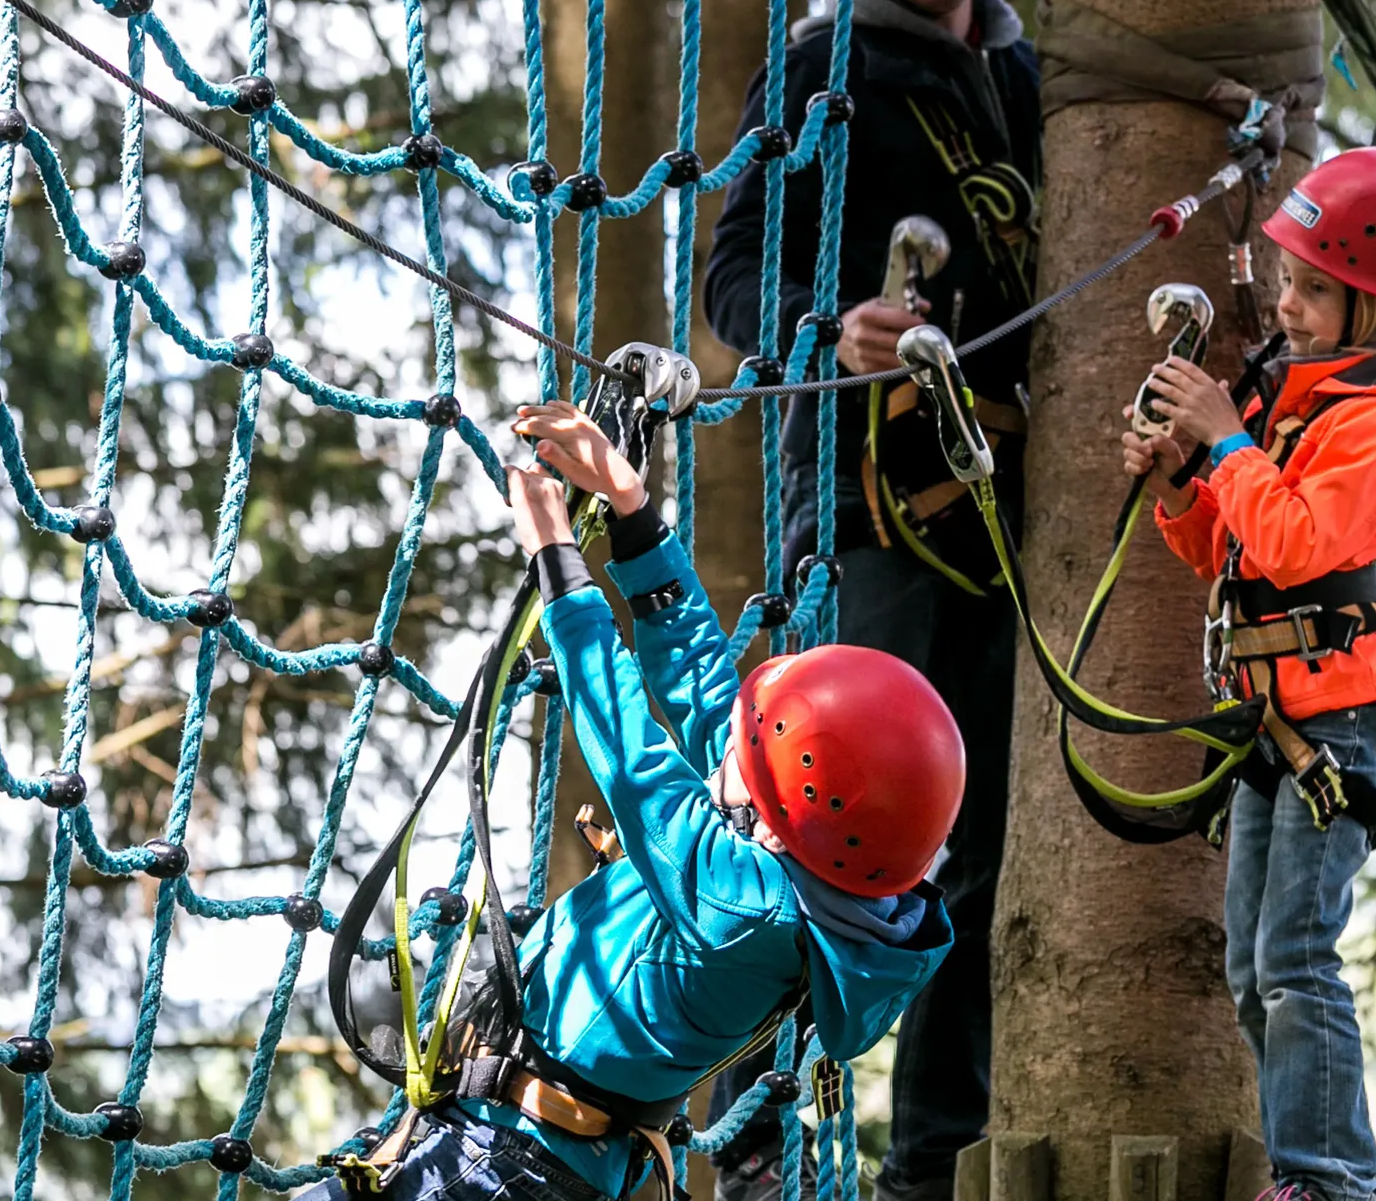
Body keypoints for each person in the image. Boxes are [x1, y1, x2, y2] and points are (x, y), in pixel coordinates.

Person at [299, 399, 961, 1201]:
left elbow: (630, 753)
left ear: (789, 817)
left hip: (506, 1171)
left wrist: (559, 567)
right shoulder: (811, 875)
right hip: (482, 1135)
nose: (731, 749)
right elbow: (703, 684)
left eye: (754, 755)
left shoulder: (741, 906)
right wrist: (632, 511)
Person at [702, 0, 1039, 1198]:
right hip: (860, 516)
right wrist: (826, 328)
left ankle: (931, 1168)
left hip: (1006, 519)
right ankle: (757, 1133)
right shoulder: (821, 72)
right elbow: (727, 276)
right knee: (837, 823)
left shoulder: (1026, 78)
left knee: (985, 850)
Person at [1122, 148, 1376, 1201]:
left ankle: (1328, 1182)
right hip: (1277, 712)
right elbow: (1223, 554)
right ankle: (1301, 1169)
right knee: (1252, 966)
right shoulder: (1300, 399)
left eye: (1317, 289)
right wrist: (1183, 477)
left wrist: (1226, 443)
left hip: (1342, 723)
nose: (1291, 304)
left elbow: (1293, 542)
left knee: (1297, 958)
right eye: (1290, 281)